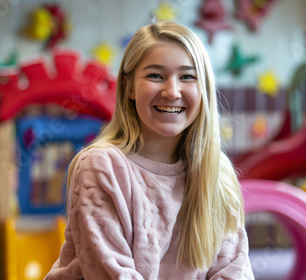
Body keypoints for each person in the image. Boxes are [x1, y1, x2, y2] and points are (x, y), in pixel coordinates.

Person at [45, 21, 254, 280]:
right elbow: (112, 273)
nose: (172, 91)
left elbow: (233, 271)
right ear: (129, 86)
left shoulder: (217, 172)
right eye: (155, 75)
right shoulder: (101, 166)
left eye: (187, 76)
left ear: (203, 89)